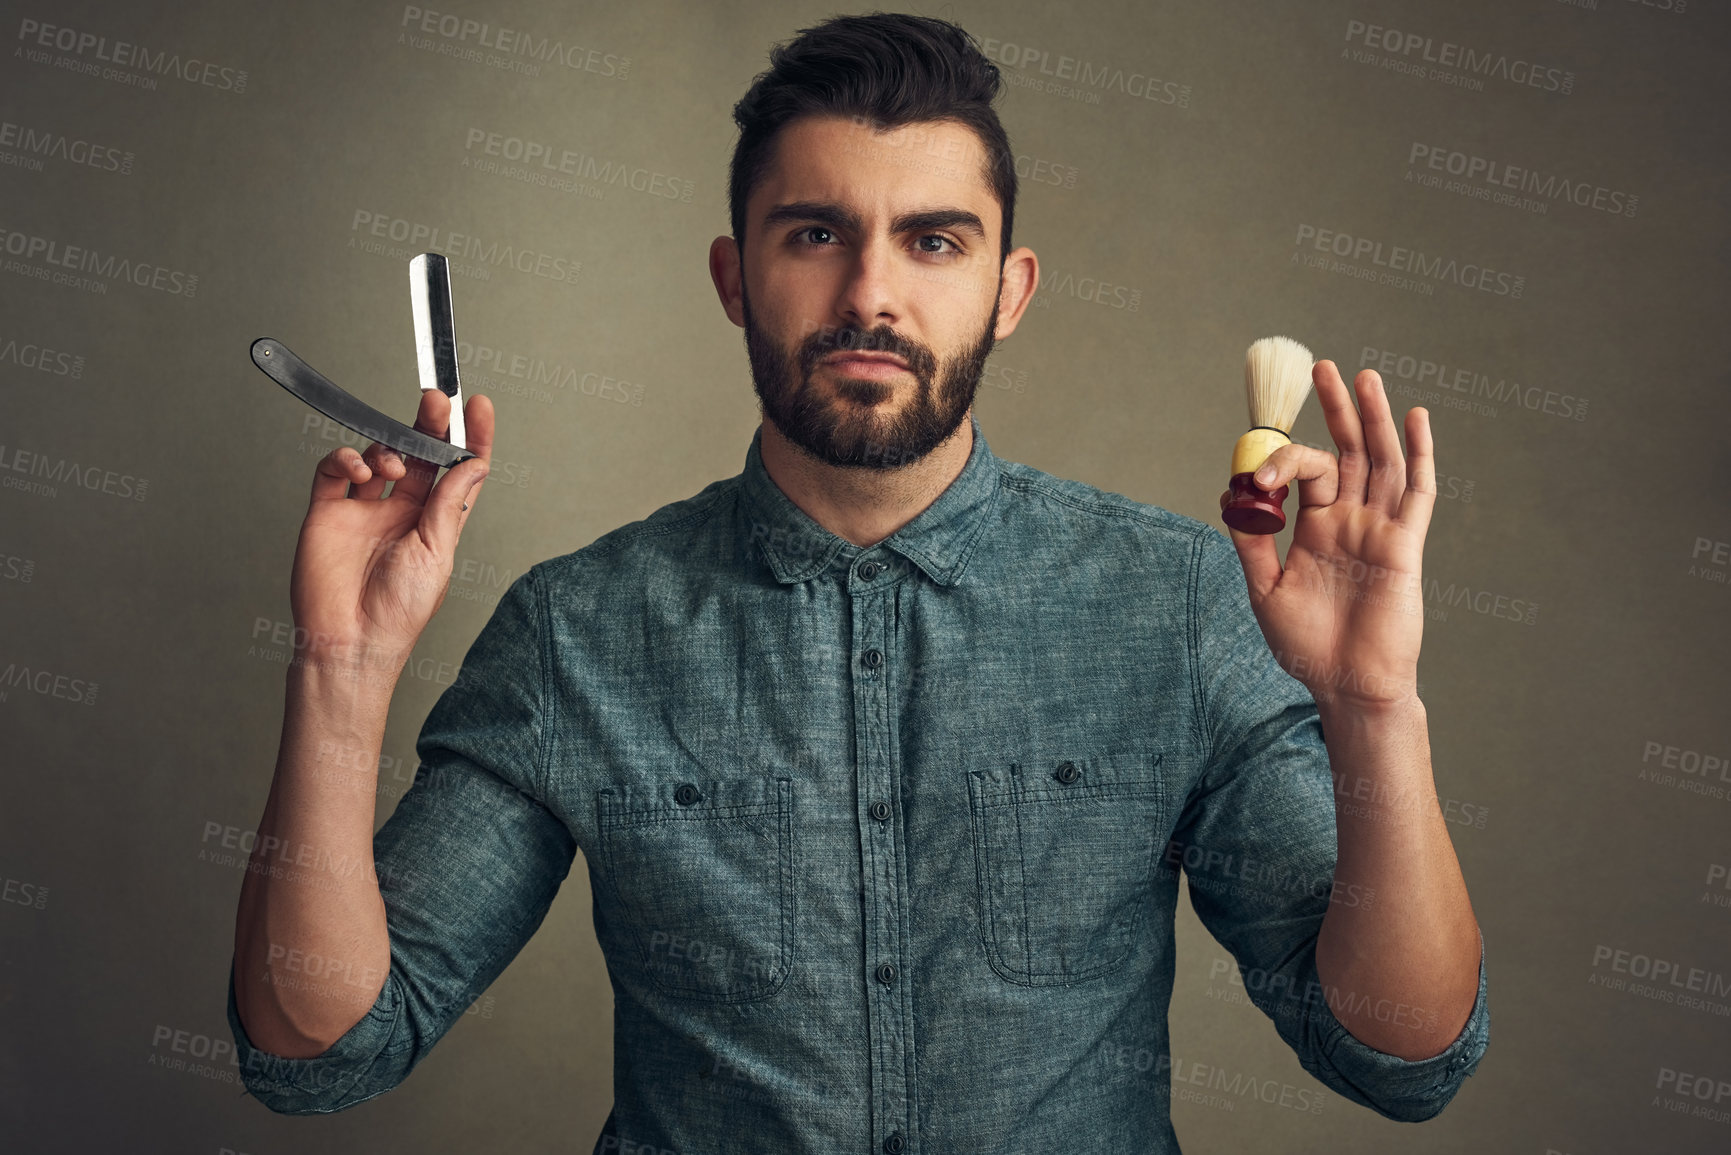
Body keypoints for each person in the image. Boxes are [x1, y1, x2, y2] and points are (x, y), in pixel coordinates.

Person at [227, 12, 1488, 1152]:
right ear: (736, 279)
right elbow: (320, 1055)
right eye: (816, 233)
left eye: (933, 241)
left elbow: (1402, 1057)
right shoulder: (581, 632)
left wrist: (1375, 707)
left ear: (1008, 292)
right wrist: (341, 673)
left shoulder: (1180, 607)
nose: (871, 294)